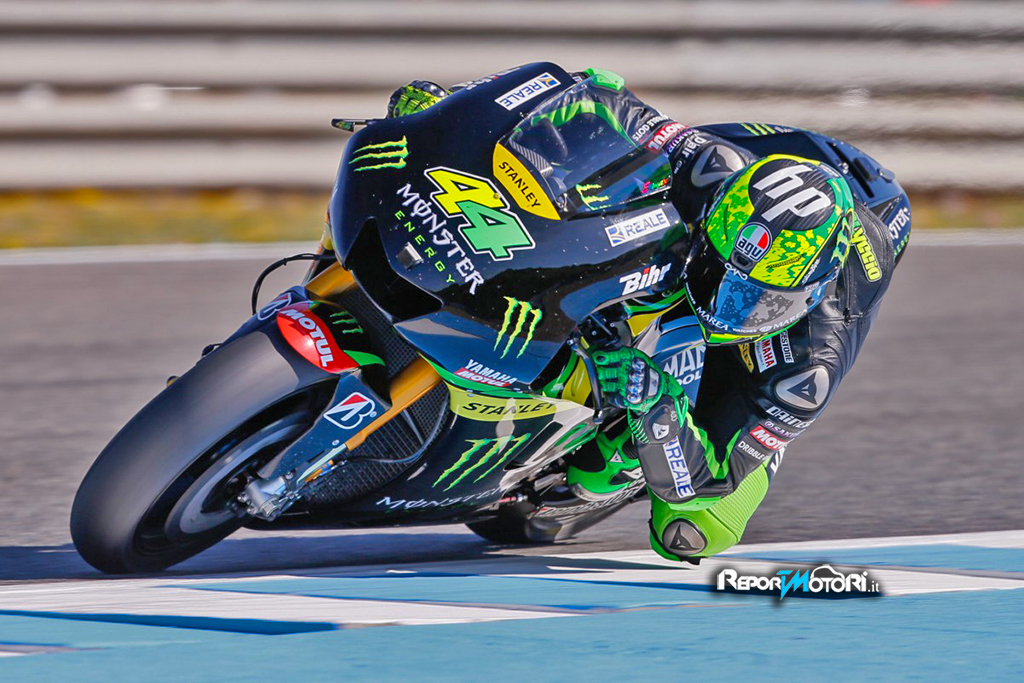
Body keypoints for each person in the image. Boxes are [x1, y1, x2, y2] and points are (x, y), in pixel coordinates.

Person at [385, 69, 910, 563]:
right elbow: (597, 96)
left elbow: (707, 482)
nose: (726, 307)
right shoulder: (711, 168)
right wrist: (447, 115)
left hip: (774, 344)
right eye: (718, 275)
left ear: (808, 292)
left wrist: (659, 407)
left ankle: (607, 469)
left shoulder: (810, 363)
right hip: (773, 167)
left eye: (757, 301)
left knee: (690, 532)